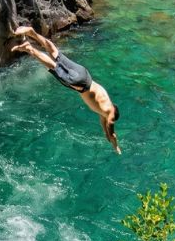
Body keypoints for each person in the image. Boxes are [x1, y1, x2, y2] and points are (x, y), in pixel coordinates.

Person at [11, 25, 121, 154]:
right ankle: (30, 49)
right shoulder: (110, 114)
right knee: (54, 68)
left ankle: (32, 32)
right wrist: (116, 146)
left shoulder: (105, 104)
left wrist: (106, 136)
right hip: (80, 84)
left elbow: (105, 128)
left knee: (56, 53)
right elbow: (112, 133)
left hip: (85, 74)